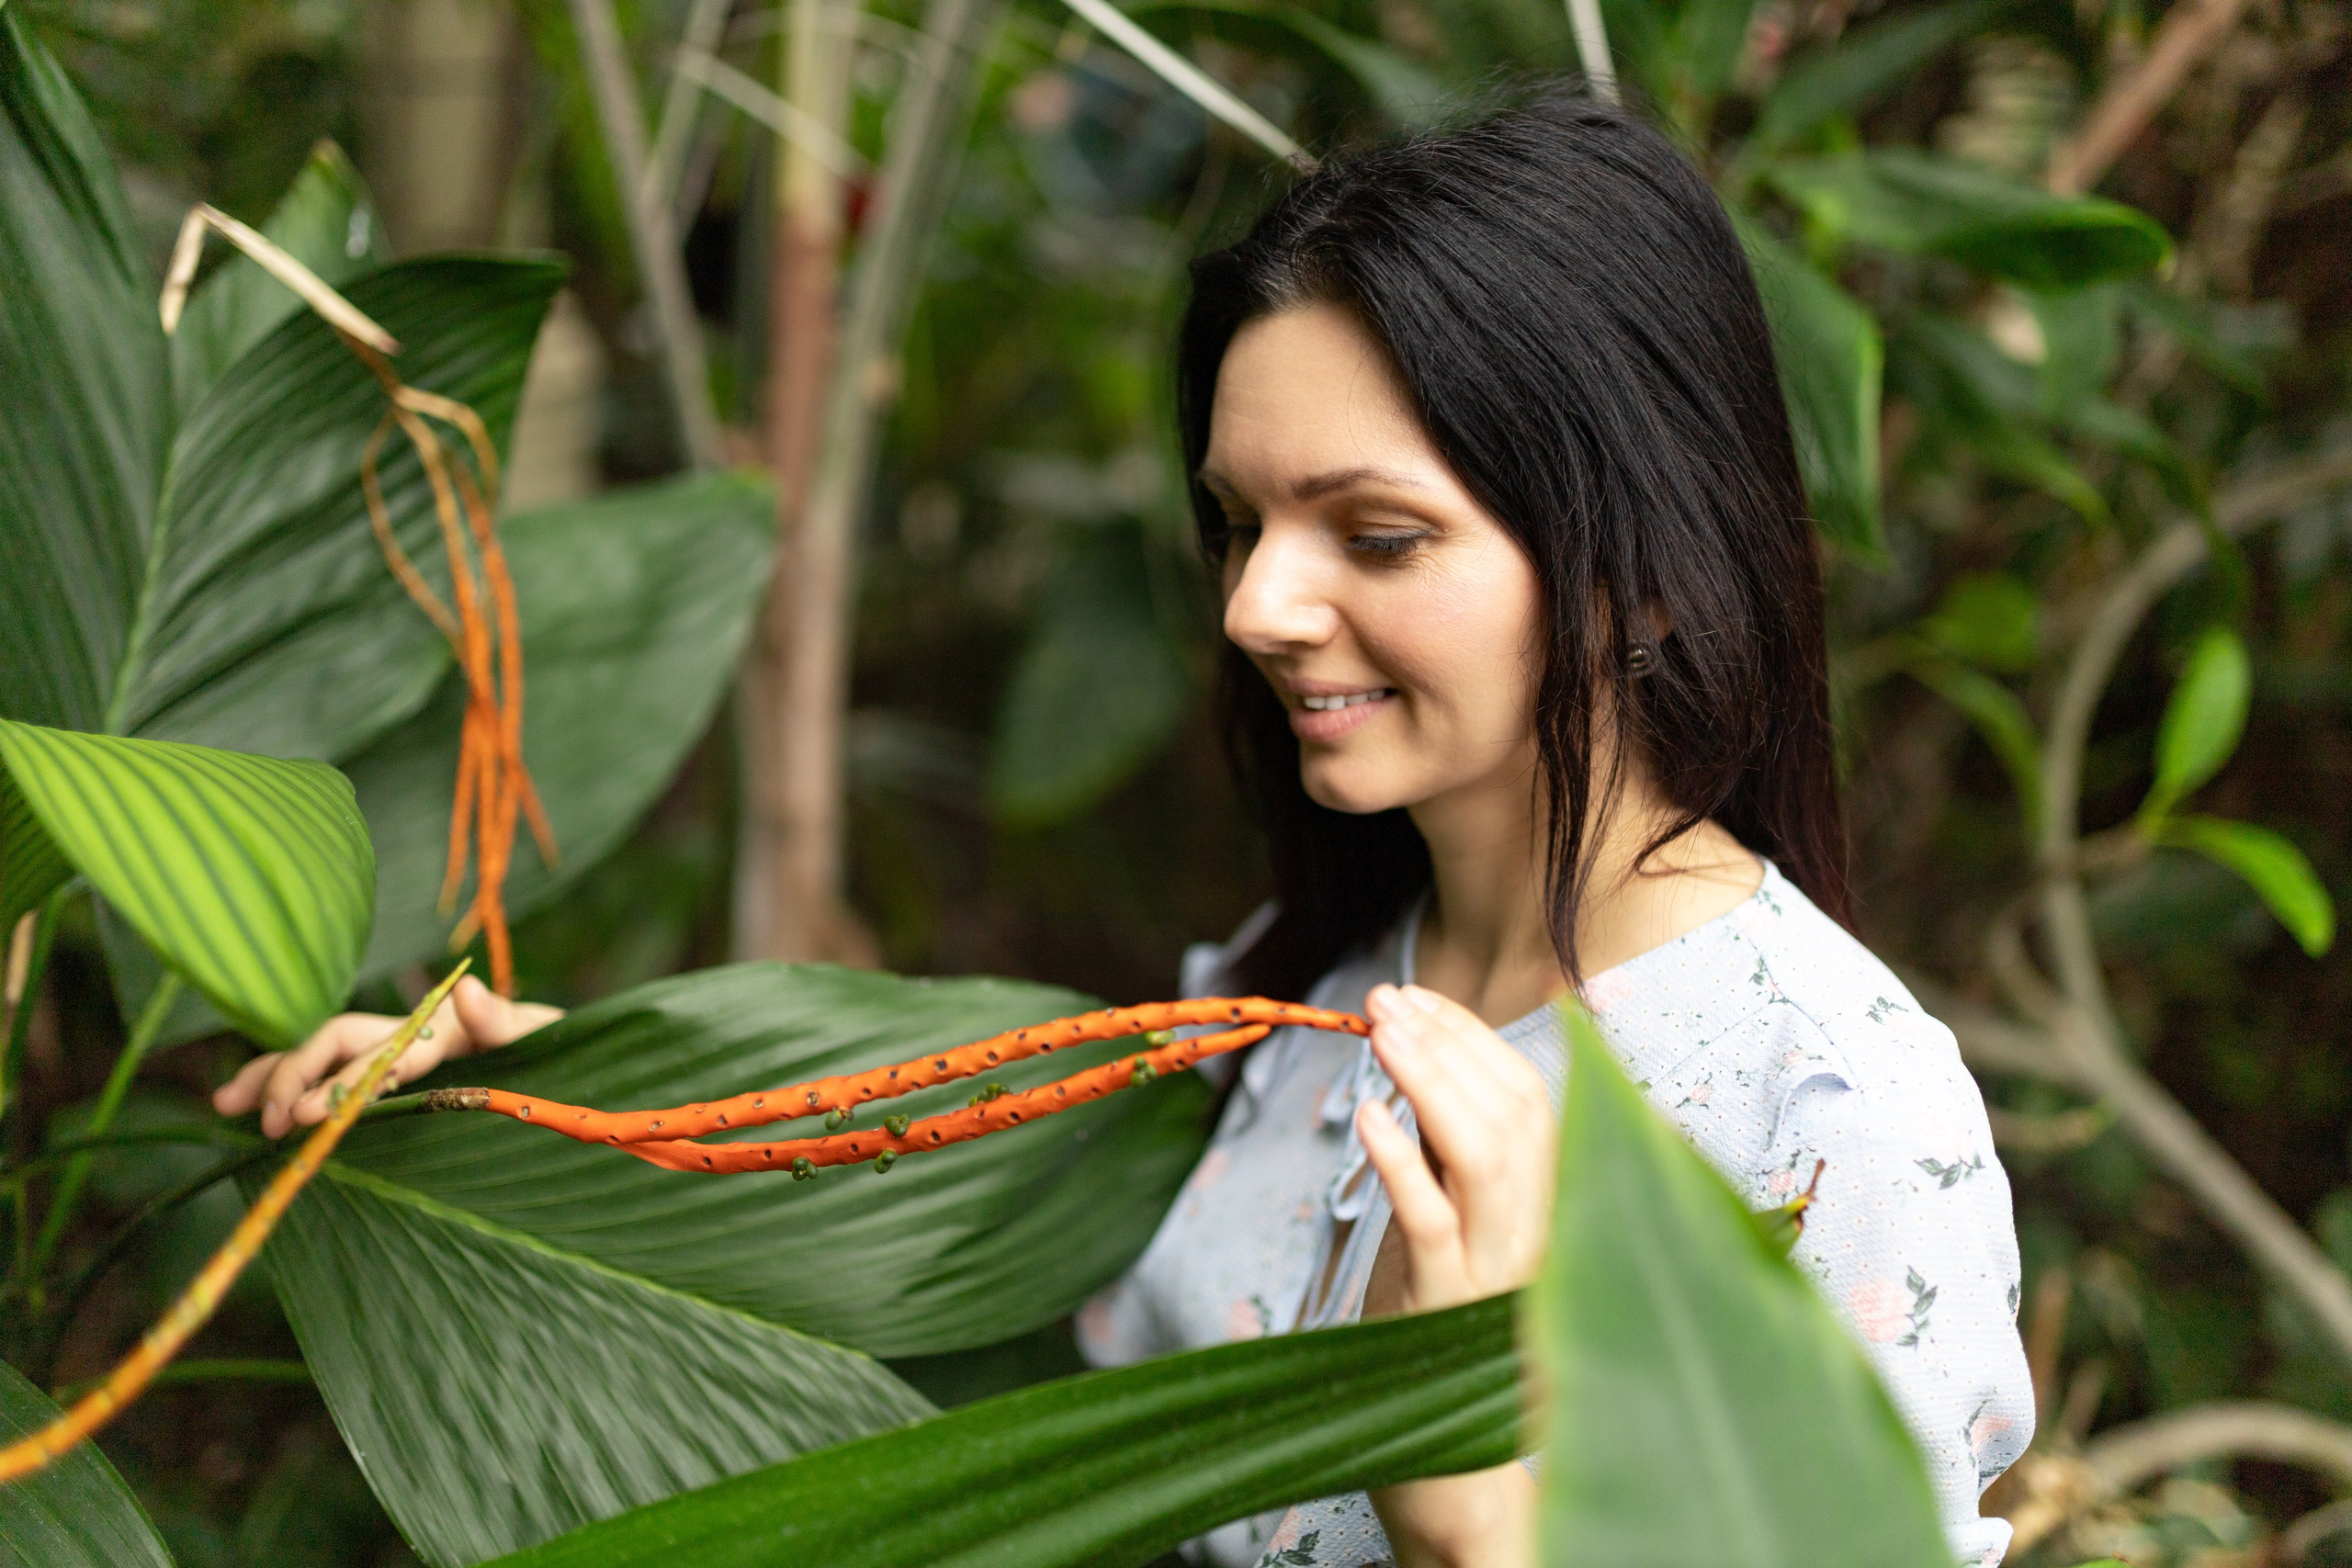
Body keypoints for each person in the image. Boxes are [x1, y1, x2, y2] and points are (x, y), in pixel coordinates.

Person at [220, 91, 2032, 1568]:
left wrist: (1473, 1524)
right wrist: (560, 1118)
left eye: (1373, 535)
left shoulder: (1833, 1112)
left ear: (1644, 563)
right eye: (1239, 522)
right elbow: (1008, 1326)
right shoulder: (1312, 985)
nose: (1255, 606)